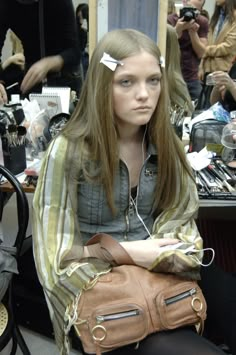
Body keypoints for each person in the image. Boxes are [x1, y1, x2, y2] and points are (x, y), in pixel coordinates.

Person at [32, 28, 226, 355]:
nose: (144, 94)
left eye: (153, 80)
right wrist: (134, 252)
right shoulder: (68, 152)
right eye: (126, 82)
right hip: (98, 288)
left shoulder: (166, 145)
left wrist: (154, 258)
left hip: (161, 273)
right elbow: (57, 260)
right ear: (101, 85)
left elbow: (183, 230)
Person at [0, 0, 81, 101]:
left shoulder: (60, 3)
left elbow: (75, 52)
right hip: (32, 78)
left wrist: (49, 63)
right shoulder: (5, 4)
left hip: (66, 78)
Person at [168, 0, 209, 101]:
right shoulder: (170, 20)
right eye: (188, 9)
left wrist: (193, 33)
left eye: (195, 11)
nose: (190, 13)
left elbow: (201, 53)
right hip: (172, 74)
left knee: (197, 108)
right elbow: (166, 47)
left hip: (191, 76)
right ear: (183, 3)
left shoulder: (202, 22)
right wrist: (177, 29)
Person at [198, 0, 236, 109]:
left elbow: (227, 47)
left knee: (219, 108)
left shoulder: (234, 18)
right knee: (206, 108)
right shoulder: (216, 18)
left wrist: (204, 50)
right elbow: (209, 42)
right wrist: (201, 65)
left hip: (224, 71)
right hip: (208, 71)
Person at [75, 3, 89, 80]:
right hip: (82, 55)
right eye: (79, 18)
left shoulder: (93, 27)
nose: (80, 21)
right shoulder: (78, 29)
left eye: (82, 18)